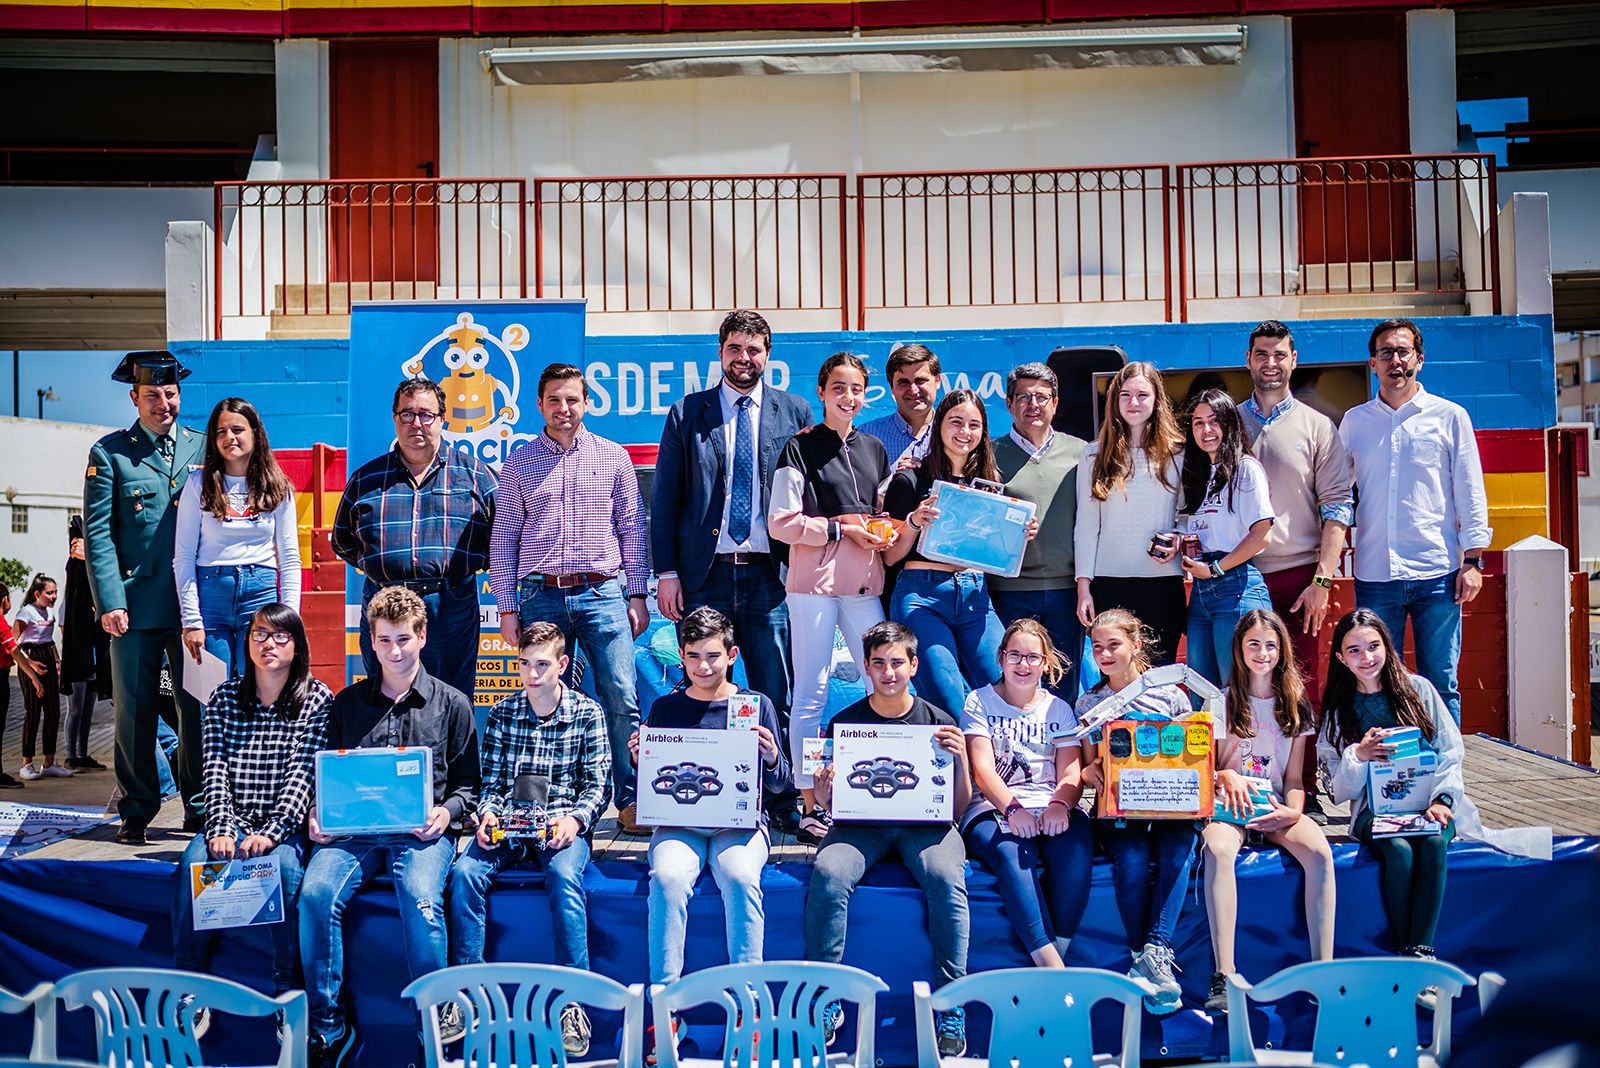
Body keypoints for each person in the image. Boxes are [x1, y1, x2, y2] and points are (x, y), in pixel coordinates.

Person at [299, 586, 480, 1066]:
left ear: (422, 636)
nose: (394, 651)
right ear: (371, 642)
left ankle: (435, 1022)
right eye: (384, 640)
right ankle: (328, 1025)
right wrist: (316, 813)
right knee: (315, 894)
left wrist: (448, 812)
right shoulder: (346, 703)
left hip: (421, 835)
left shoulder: (453, 704)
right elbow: (321, 774)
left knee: (421, 896)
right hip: (352, 836)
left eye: (403, 638)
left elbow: (469, 785)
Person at [652, 309, 813, 832]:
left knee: (775, 689)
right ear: (720, 352)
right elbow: (666, 501)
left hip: (771, 575)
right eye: (735, 349)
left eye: (754, 350)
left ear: (768, 355)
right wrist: (667, 572)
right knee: (699, 688)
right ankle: (696, 793)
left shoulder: (795, 412)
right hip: (705, 574)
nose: (744, 359)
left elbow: (806, 495)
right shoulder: (687, 414)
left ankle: (782, 798)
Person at [491, 363, 650, 832]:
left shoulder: (613, 457)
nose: (564, 409)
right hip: (541, 595)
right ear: (539, 405)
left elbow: (632, 530)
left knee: (621, 695)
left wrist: (637, 594)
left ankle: (630, 799)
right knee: (546, 696)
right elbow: (505, 538)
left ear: (587, 403)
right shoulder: (519, 463)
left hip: (602, 593)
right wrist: (507, 606)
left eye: (573, 400)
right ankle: (557, 797)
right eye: (555, 400)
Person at [627, 607, 790, 1062]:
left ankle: (750, 1010)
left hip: (739, 824)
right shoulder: (666, 707)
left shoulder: (755, 706)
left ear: (732, 654)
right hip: (679, 825)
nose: (703, 666)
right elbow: (650, 792)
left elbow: (781, 787)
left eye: (713, 656)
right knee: (669, 879)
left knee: (739, 876)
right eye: (693, 655)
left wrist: (773, 757)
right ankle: (665, 1009)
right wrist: (641, 761)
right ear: (680, 655)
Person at [806, 621, 971, 1056]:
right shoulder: (844, 722)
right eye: (878, 663)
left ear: (913, 665)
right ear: (866, 667)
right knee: (827, 871)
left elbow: (958, 806)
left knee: (944, 875)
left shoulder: (940, 722)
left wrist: (961, 762)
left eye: (897, 663)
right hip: (862, 825)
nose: (888, 672)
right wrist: (823, 789)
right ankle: (827, 997)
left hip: (927, 825)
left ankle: (950, 1003)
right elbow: (828, 803)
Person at [448, 621, 609, 1058]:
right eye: (524, 664)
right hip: (509, 827)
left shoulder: (587, 713)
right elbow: (492, 782)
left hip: (559, 828)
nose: (532, 674)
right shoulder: (501, 712)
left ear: (562, 664)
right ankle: (465, 995)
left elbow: (597, 785)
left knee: (564, 878)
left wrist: (575, 821)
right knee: (463, 873)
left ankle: (573, 1002)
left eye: (542, 665)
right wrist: (488, 815)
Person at [171, 603, 333, 995]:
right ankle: (191, 985)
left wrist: (273, 832)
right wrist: (222, 829)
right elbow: (215, 769)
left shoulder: (317, 699)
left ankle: (287, 986)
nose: (268, 644)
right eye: (259, 634)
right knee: (192, 866)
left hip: (284, 823)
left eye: (280, 636)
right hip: (234, 818)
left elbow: (303, 775)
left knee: (287, 872)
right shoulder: (224, 698)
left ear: (297, 645)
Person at [768, 352, 894, 844]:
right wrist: (842, 529)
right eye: (838, 388)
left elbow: (881, 518)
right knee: (811, 695)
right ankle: (809, 800)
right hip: (812, 589)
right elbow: (781, 522)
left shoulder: (875, 450)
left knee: (880, 683)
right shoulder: (796, 449)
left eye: (856, 389)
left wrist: (885, 532)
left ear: (866, 394)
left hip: (865, 587)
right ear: (821, 393)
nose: (848, 397)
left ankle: (872, 790)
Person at [1339, 318, 1490, 725]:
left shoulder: (1449, 416)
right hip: (1375, 574)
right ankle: (1385, 778)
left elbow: (1469, 490)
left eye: (1403, 351)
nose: (1395, 360)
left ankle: (1446, 780)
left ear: (1419, 360)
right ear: (1373, 363)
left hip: (1437, 573)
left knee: (1440, 682)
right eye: (1386, 352)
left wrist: (1473, 561)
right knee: (1374, 679)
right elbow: (1333, 490)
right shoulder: (1354, 422)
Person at [83, 349, 207, 844]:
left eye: (171, 393)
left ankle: (200, 806)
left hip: (193, 604)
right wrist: (109, 600)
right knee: (134, 709)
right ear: (135, 398)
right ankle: (137, 807)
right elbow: (99, 534)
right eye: (152, 395)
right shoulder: (109, 453)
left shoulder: (203, 447)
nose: (163, 404)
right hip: (133, 605)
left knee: (197, 706)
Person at [1238, 320, 1352, 822]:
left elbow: (1337, 507)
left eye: (1279, 354)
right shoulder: (1227, 422)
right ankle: (1237, 785)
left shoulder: (1317, 427)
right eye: (1261, 354)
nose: (1270, 363)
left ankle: (1303, 789)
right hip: (1238, 577)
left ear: (1293, 359)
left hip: (1298, 576)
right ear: (1249, 360)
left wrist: (1322, 580)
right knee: (1239, 683)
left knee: (1300, 685)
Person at [1200, 609, 1335, 1014]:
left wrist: (1291, 814)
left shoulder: (1296, 706)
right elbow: (1203, 769)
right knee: (1219, 851)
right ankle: (1224, 973)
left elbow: (1294, 779)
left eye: (1271, 645)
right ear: (1239, 649)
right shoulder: (1219, 702)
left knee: (1321, 853)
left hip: (1273, 805)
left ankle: (1322, 970)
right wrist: (1226, 775)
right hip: (1229, 806)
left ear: (1282, 651)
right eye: (1253, 643)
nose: (1263, 652)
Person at [1319, 608, 1462, 987]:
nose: (1366, 658)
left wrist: (1442, 801)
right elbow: (1339, 790)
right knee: (1397, 850)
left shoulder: (1420, 692)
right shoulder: (1338, 711)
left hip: (1426, 805)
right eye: (1354, 650)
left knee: (1432, 843)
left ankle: (1422, 954)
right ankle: (1409, 953)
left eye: (1373, 646)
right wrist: (1358, 756)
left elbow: (1450, 750)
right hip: (1373, 811)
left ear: (1388, 646)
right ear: (1340, 658)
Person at [333, 378, 496, 702]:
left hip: (450, 609)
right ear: (394, 419)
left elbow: (499, 540)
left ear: (443, 420)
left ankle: (447, 757)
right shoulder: (366, 479)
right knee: (386, 700)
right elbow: (343, 540)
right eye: (407, 414)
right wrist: (385, 569)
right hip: (385, 607)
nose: (416, 423)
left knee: (451, 702)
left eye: (426, 414)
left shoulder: (476, 475)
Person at [1077, 608, 1197, 1014]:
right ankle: (1138, 955)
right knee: (1132, 856)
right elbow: (1089, 764)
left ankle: (1156, 952)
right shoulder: (1089, 701)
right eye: (1098, 648)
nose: (1105, 654)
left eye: (1114, 645)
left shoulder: (1171, 694)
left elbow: (1192, 756)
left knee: (1180, 847)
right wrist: (1094, 771)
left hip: (1170, 808)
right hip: (1118, 810)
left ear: (1136, 645)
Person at [961, 619, 1094, 968]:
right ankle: (1051, 965)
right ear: (1001, 658)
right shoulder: (979, 702)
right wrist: (1012, 809)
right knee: (1011, 855)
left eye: (1033, 657)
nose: (1023, 664)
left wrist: (1060, 805)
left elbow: (1069, 772)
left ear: (1046, 663)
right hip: (994, 807)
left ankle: (1055, 956)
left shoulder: (1059, 709)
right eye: (1015, 655)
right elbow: (983, 770)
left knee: (1077, 850)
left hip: (1049, 802)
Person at [883, 389, 1020, 715]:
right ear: (938, 425)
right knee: (950, 703)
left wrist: (1018, 534)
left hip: (975, 597)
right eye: (956, 422)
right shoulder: (909, 480)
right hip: (922, 596)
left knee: (1009, 689)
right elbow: (890, 557)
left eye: (974, 424)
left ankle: (995, 766)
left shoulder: (991, 484)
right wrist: (915, 521)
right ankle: (964, 766)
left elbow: (998, 554)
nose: (965, 432)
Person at [175, 397, 301, 677]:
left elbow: (290, 558)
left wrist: (290, 617)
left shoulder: (278, 487)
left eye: (237, 429)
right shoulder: (198, 484)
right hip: (211, 596)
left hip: (261, 595)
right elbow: (183, 556)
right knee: (213, 694)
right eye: (221, 431)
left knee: (258, 689)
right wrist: (192, 620)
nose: (229, 437)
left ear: (255, 433)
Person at [1074, 363, 1187, 665]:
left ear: (1156, 400)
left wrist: (1178, 539)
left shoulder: (1180, 453)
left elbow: (1188, 516)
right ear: (1115, 401)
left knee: (1159, 674)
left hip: (1163, 584)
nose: (1133, 403)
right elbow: (1086, 525)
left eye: (1142, 394)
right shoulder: (1093, 455)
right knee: (1114, 677)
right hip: (1109, 583)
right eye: (1125, 395)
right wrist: (1084, 587)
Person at [989, 363, 1090, 699]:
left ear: (1055, 403)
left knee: (1063, 686)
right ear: (1009, 403)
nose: (1033, 404)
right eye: (1024, 397)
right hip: (1009, 590)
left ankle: (1061, 751)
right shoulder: (988, 455)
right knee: (1015, 685)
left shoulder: (1082, 453)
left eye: (1041, 397)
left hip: (1066, 590)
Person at [1178, 388, 1275, 685]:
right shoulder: (1195, 475)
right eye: (1198, 422)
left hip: (1237, 585)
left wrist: (1216, 569)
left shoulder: (1245, 469)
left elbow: (1262, 535)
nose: (1206, 430)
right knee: (1202, 696)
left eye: (1214, 421)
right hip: (1201, 592)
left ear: (1230, 423)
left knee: (1239, 693)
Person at [61, 516, 111, 771]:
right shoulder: (75, 568)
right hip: (79, 652)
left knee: (88, 709)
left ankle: (82, 752)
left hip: (93, 652)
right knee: (77, 707)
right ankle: (72, 753)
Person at [15, 575, 71, 780]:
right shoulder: (26, 613)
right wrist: (30, 665)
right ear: (37, 593)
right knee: (33, 713)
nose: (54, 596)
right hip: (30, 659)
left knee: (53, 711)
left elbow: (48, 641)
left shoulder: (49, 613)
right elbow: (14, 643)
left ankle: (49, 762)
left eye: (55, 591)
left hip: (46, 657)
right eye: (49, 592)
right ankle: (26, 762)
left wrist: (57, 662)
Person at [860, 343, 941, 468]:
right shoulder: (867, 436)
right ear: (891, 388)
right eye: (903, 382)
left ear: (937, 381)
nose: (913, 390)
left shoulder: (954, 436)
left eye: (920, 381)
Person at [0, 583, 46, 788]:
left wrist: (31, 663)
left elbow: (13, 647)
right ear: (4, 600)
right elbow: (14, 652)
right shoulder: (0, 622)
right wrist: (34, 678)